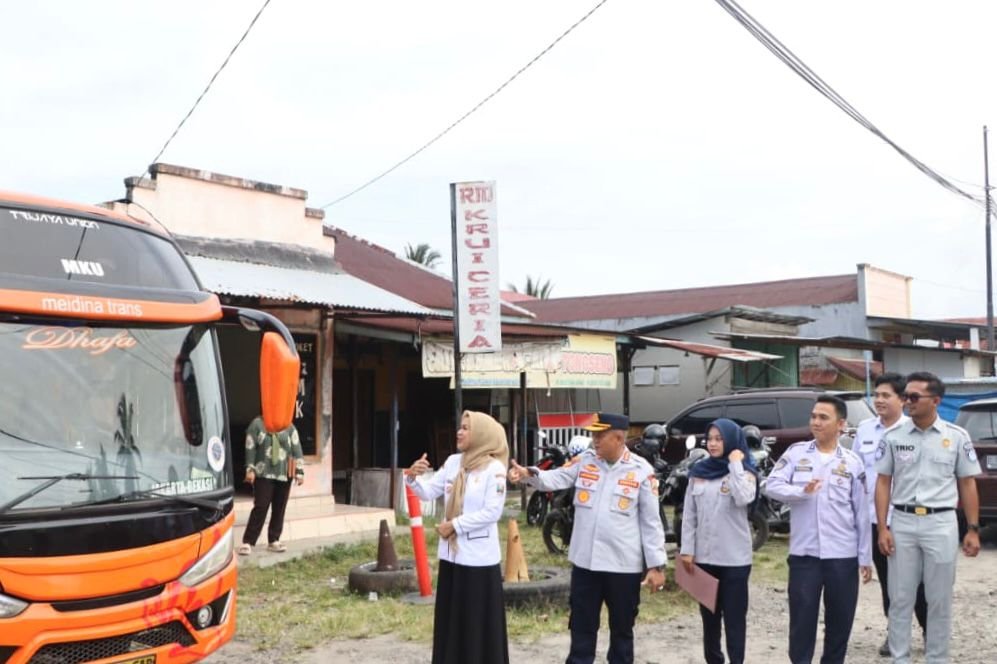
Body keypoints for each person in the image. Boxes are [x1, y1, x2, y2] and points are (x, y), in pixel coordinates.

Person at [508, 412, 666, 664]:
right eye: (593, 434)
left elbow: (651, 523)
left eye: (600, 435)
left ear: (617, 438)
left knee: (622, 634)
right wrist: (528, 473)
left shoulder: (641, 471)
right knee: (581, 631)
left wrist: (656, 566)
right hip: (586, 565)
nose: (594, 440)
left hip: (622, 568)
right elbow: (556, 477)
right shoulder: (585, 461)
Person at [875, 371, 982, 664]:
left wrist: (972, 529)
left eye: (913, 396)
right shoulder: (893, 437)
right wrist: (882, 527)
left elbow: (968, 483)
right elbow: (883, 482)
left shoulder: (956, 437)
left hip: (941, 522)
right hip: (904, 523)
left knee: (939, 599)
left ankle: (937, 658)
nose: (907, 401)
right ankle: (900, 658)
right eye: (906, 396)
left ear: (935, 400)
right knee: (900, 597)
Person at [765, 395, 872, 664]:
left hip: (842, 556)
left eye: (823, 417)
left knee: (840, 622)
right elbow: (771, 485)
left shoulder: (852, 462)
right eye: (813, 416)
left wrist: (865, 557)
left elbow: (861, 513)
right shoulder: (795, 454)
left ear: (841, 424)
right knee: (802, 621)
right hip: (805, 556)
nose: (816, 421)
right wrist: (800, 491)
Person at [405, 410, 510, 664]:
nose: (459, 432)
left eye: (466, 428)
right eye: (460, 427)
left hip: (479, 560)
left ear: (482, 435)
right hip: (452, 557)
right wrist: (413, 477)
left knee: (476, 623)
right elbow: (429, 492)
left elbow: (492, 512)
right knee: (452, 620)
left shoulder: (494, 469)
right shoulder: (454, 462)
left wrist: (455, 526)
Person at [852, 373, 927, 657]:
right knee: (888, 581)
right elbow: (859, 474)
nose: (879, 400)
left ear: (902, 399)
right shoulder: (865, 430)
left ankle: (930, 629)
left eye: (886, 396)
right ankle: (896, 634)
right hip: (874, 520)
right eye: (877, 395)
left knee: (916, 581)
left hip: (907, 519)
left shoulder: (915, 430)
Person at [679, 418, 758, 664]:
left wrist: (735, 464)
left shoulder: (746, 473)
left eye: (718, 439)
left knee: (734, 619)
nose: (712, 444)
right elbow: (689, 515)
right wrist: (687, 550)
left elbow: (744, 497)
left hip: (735, 560)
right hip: (704, 558)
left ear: (732, 442)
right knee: (709, 620)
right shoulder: (698, 472)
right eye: (710, 439)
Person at [238, 416, 304, 555]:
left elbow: (296, 448)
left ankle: (274, 539)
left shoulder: (289, 426)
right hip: (263, 473)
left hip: (284, 474)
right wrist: (250, 469)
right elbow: (250, 447)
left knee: (279, 507)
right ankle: (248, 541)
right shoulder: (257, 424)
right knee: (261, 506)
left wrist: (299, 471)